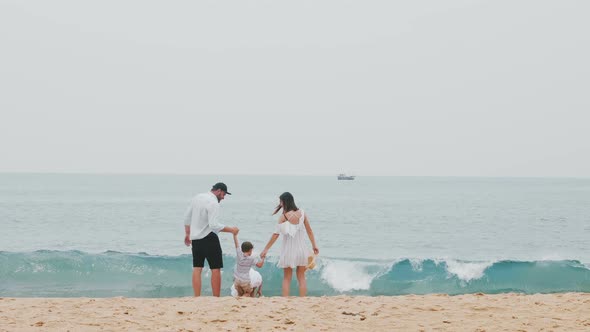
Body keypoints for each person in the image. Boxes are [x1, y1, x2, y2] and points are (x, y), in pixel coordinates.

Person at [183, 182, 239, 297]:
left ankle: (197, 296)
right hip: (209, 238)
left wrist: (187, 234)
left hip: (196, 239)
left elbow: (187, 217)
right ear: (219, 191)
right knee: (215, 268)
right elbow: (213, 225)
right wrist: (232, 230)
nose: (223, 198)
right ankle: (216, 297)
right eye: (223, 194)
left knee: (197, 268)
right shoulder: (213, 202)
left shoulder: (197, 197)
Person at [260, 192, 319, 297]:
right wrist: (314, 245)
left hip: (289, 251)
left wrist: (266, 249)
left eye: (281, 202)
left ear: (285, 202)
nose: (280, 204)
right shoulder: (303, 213)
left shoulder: (283, 217)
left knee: (287, 278)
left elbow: (275, 235)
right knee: (301, 276)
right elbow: (310, 231)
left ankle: (285, 299)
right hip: (302, 250)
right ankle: (303, 299)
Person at [232, 233, 265, 297]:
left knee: (239, 294)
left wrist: (234, 235)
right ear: (250, 250)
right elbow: (260, 265)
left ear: (242, 249)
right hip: (245, 281)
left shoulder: (239, 254)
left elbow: (236, 244)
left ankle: (239, 301)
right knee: (248, 293)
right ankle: (243, 298)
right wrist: (263, 258)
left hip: (237, 280)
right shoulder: (251, 259)